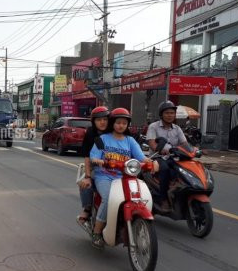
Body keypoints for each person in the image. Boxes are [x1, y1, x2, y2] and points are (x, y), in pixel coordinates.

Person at [89, 108, 154, 249]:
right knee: (108, 198)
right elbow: (94, 156)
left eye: (124, 123)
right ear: (113, 123)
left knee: (139, 197)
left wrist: (150, 162)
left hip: (124, 178)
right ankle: (97, 231)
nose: (121, 125)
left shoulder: (130, 141)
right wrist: (98, 161)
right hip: (104, 176)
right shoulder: (103, 139)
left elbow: (141, 157)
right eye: (118, 122)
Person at [146, 101, 190, 211]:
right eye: (167, 113)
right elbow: (152, 143)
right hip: (158, 157)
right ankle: (163, 199)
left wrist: (193, 150)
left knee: (184, 169)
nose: (170, 115)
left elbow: (184, 144)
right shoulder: (153, 126)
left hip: (173, 157)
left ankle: (178, 192)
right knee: (164, 169)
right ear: (161, 114)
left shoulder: (177, 128)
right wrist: (161, 149)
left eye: (172, 113)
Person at [76, 106, 110, 230]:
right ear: (94, 121)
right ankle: (87, 208)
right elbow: (86, 155)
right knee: (85, 183)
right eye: (99, 120)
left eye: (105, 119)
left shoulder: (114, 131)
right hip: (96, 167)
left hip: (117, 168)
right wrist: (88, 176)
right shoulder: (90, 133)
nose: (102, 122)